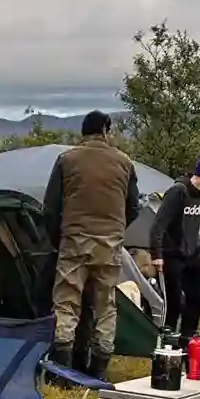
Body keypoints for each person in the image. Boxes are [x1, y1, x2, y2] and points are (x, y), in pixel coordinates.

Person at [42, 110, 139, 378]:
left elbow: (50, 208)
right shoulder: (124, 163)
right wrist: (115, 230)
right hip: (109, 244)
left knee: (66, 303)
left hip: (74, 242)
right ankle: (98, 370)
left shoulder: (67, 160)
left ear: (83, 132)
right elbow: (134, 207)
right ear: (106, 131)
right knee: (105, 306)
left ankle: (62, 371)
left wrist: (59, 238)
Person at [149, 155, 200, 337]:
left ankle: (187, 339)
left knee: (197, 299)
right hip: (172, 254)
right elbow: (158, 226)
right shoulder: (178, 191)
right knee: (175, 302)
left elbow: (194, 226)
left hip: (191, 255)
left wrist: (199, 253)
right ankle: (167, 341)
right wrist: (156, 254)